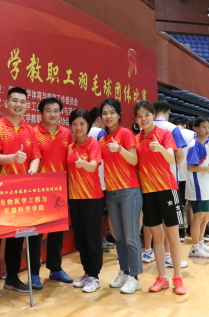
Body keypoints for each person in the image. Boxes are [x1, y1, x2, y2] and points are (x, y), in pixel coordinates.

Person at [0, 87, 41, 296]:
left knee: (16, 238)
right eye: (15, 100)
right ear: (6, 103)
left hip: (21, 191)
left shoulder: (29, 129)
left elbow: (35, 156)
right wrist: (13, 158)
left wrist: (33, 170)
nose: (18, 105)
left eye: (22, 101)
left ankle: (12, 277)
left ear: (27, 106)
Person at [133, 101, 186, 295]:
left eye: (147, 115)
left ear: (153, 115)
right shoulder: (136, 139)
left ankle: (178, 277)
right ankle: (162, 277)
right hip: (148, 192)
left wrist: (160, 149)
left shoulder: (164, 134)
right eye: (139, 116)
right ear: (136, 119)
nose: (143, 119)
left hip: (167, 189)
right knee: (157, 236)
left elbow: (172, 158)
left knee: (173, 236)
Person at [99, 99, 141, 294]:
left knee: (131, 237)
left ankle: (135, 277)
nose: (108, 116)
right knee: (120, 237)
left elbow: (134, 160)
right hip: (111, 192)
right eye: (105, 113)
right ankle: (124, 271)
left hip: (129, 191)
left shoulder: (125, 134)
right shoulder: (103, 139)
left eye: (112, 112)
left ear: (118, 115)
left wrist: (119, 149)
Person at [34, 97, 74, 285]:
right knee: (36, 235)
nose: (52, 114)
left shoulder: (66, 134)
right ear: (41, 113)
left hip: (59, 190)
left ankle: (55, 269)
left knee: (57, 234)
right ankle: (34, 273)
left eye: (56, 111)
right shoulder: (33, 133)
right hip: (38, 190)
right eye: (48, 110)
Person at [147, 100, 187, 271]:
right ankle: (168, 258)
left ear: (152, 112)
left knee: (153, 226)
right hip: (167, 182)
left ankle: (148, 251)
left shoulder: (145, 129)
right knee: (170, 228)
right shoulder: (172, 128)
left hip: (148, 185)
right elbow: (179, 156)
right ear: (169, 111)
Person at [67, 109, 104, 293]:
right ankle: (87, 272)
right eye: (74, 124)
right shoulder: (70, 146)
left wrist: (84, 164)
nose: (78, 127)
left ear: (88, 125)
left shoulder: (93, 144)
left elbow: (93, 166)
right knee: (80, 239)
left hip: (92, 198)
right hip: (75, 198)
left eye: (82, 123)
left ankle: (94, 276)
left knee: (92, 238)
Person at [185, 117, 209, 259]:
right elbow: (191, 167)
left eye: (208, 127)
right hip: (197, 186)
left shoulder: (203, 144)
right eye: (204, 127)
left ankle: (200, 243)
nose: (207, 130)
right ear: (196, 129)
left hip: (204, 184)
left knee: (205, 217)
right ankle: (194, 248)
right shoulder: (194, 145)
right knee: (198, 218)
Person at [89, 107, 115, 252]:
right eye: (104, 115)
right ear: (99, 118)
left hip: (91, 179)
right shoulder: (100, 133)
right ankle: (100, 241)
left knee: (97, 214)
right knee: (105, 214)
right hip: (102, 180)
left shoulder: (86, 132)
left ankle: (99, 240)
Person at [171, 117, 195, 242]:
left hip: (176, 175)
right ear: (185, 125)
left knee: (178, 205)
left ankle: (180, 232)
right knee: (190, 204)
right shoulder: (192, 134)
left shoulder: (170, 133)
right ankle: (191, 229)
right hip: (190, 174)